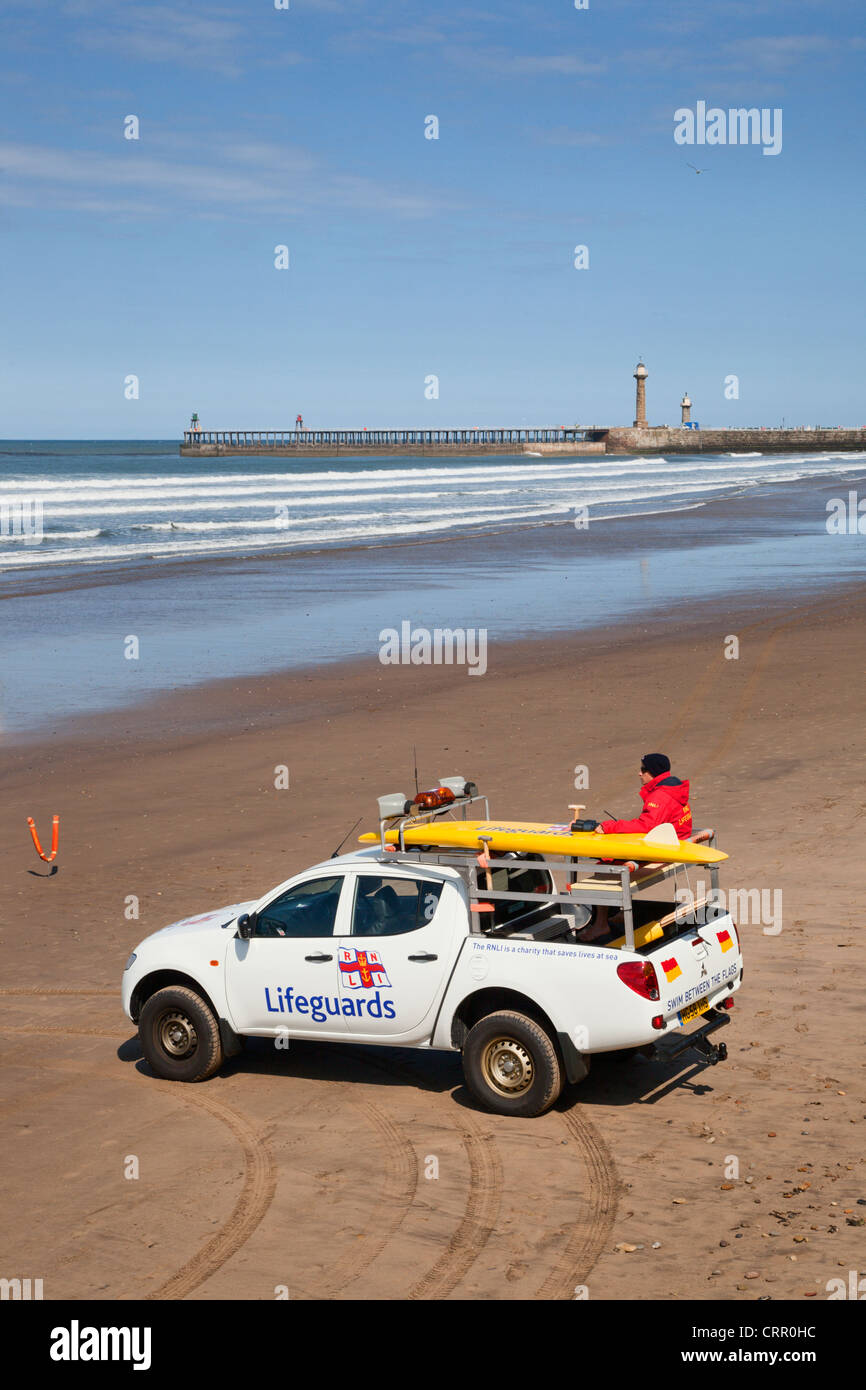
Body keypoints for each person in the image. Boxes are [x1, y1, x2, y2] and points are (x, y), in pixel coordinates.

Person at [576, 754, 692, 942]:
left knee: (604, 866)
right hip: (674, 843)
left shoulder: (660, 795)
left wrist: (609, 827)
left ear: (653, 773)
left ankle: (601, 925)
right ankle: (622, 912)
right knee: (617, 860)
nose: (639, 773)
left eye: (643, 769)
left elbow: (646, 825)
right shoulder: (673, 787)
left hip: (664, 851)